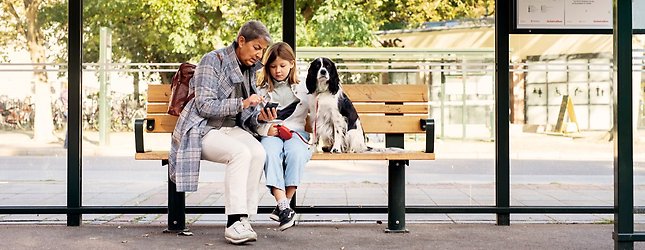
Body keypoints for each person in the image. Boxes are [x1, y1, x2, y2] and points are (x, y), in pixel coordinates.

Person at [168, 20, 275, 245]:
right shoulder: (212, 61)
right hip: (202, 129)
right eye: (257, 48)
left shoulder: (249, 69)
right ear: (241, 41)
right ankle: (233, 222)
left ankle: (244, 218)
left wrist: (259, 116)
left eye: (262, 51)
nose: (259, 55)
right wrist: (243, 103)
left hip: (230, 129)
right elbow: (204, 106)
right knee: (240, 153)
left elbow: (246, 114)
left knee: (258, 152)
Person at [256, 42, 312, 231]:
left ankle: (283, 205)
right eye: (272, 67)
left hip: (296, 131)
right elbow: (252, 119)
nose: (278, 71)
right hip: (271, 132)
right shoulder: (261, 90)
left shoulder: (304, 87)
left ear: (292, 64)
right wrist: (264, 128)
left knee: (296, 153)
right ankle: (284, 206)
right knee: (269, 153)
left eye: (282, 66)